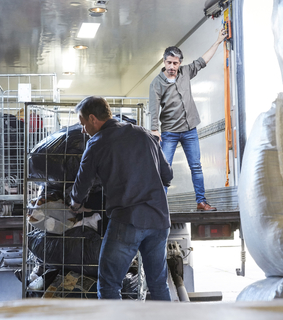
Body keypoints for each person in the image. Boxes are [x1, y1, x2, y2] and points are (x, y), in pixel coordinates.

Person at [69, 96, 173, 300]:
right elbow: (167, 176)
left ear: (92, 119)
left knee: (109, 286)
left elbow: (82, 183)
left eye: (82, 124)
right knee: (158, 284)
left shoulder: (96, 143)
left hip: (128, 221)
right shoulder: (143, 134)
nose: (83, 130)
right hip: (159, 220)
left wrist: (75, 204)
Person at [149, 29, 227, 212]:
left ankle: (201, 202)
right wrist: (154, 129)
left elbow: (202, 61)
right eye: (169, 62)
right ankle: (159, 207)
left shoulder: (185, 72)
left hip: (190, 129)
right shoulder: (156, 83)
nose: (172, 67)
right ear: (164, 61)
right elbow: (154, 108)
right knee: (164, 170)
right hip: (169, 132)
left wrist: (217, 42)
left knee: (196, 166)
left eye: (175, 63)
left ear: (180, 63)